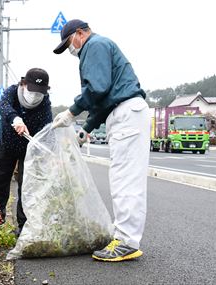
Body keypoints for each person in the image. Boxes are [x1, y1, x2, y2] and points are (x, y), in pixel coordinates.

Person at [52, 19, 150, 262]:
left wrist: (72, 111)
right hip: (123, 113)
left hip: (126, 113)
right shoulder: (98, 46)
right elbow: (104, 99)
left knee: (125, 179)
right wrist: (85, 129)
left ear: (79, 33)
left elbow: (97, 88)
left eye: (69, 44)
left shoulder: (94, 45)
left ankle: (127, 241)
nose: (70, 51)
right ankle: (124, 237)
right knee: (122, 178)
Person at [0, 68, 52, 234]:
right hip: (7, 145)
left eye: (40, 92)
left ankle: (23, 227)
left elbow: (47, 124)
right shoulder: (11, 92)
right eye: (33, 90)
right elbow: (3, 107)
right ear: (24, 84)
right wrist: (16, 119)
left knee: (27, 186)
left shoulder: (45, 101)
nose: (36, 95)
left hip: (29, 149)